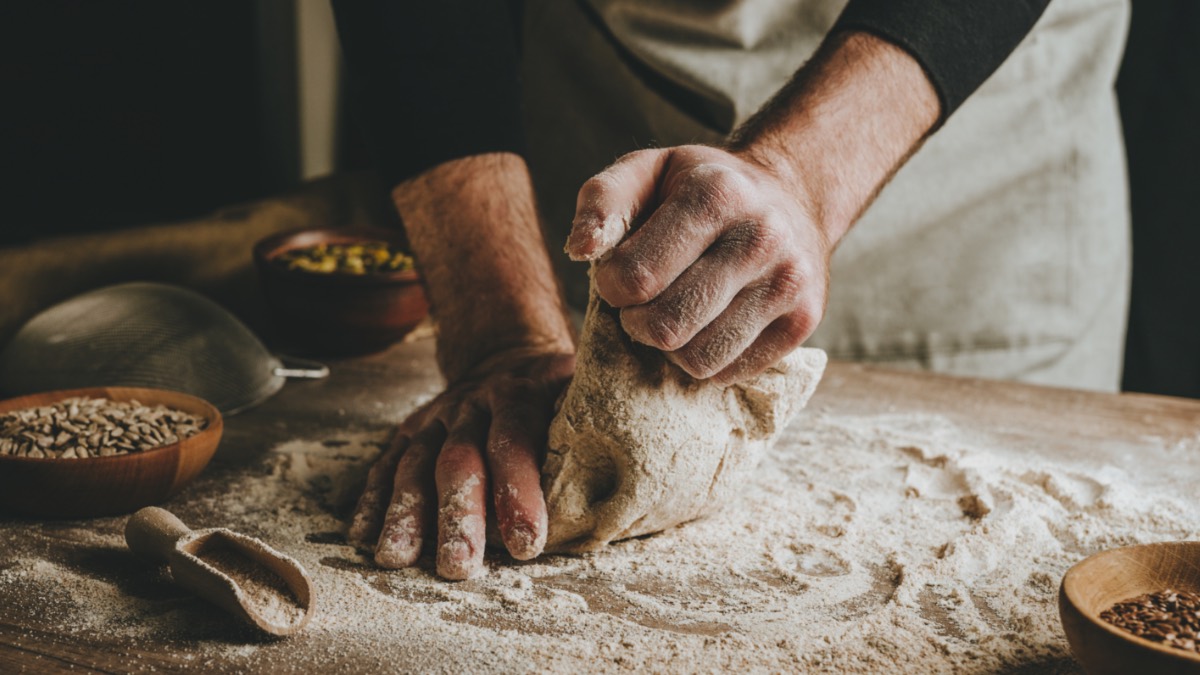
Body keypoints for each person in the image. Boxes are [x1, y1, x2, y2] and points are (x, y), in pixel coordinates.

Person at [331, 0, 1130, 580]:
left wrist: (800, 173)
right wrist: (502, 334)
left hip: (966, 137)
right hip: (608, 92)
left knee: (1000, 556)